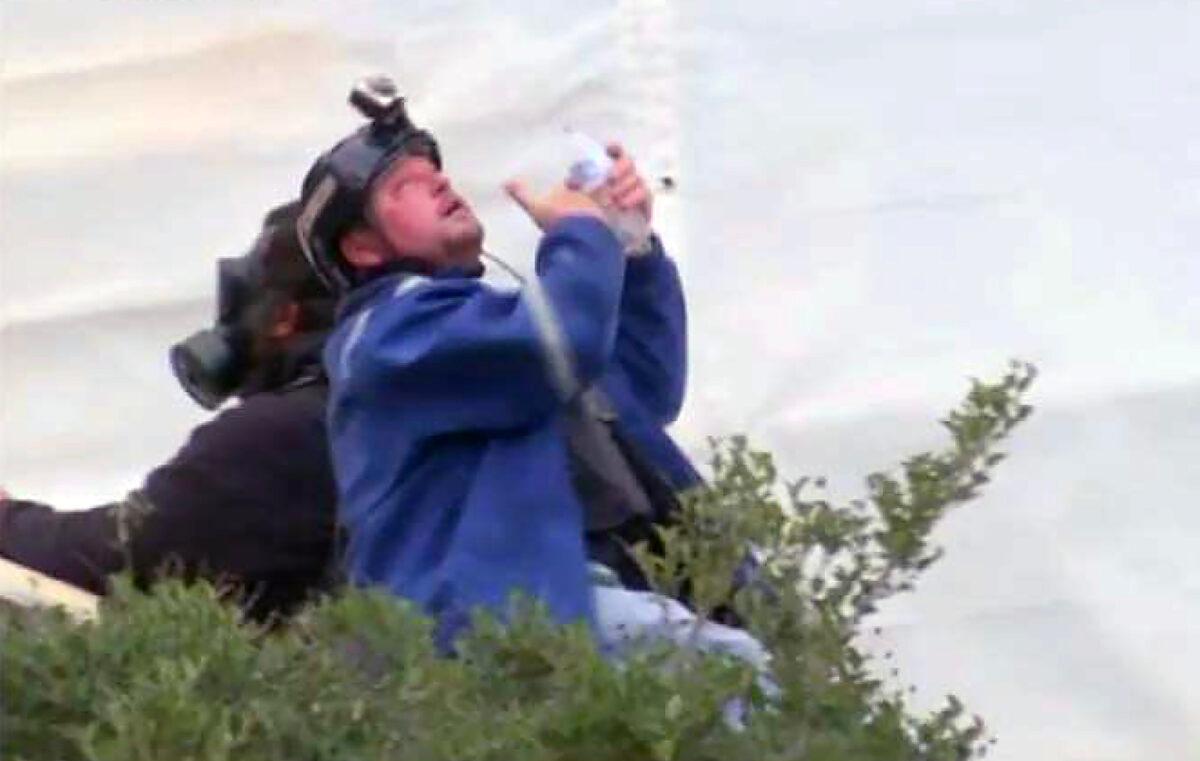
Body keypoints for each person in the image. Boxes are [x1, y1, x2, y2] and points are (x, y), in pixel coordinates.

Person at [296, 78, 701, 646]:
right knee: (740, 678)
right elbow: (567, 343)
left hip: (578, 606)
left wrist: (629, 247)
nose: (438, 180)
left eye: (433, 169)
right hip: (500, 631)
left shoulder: (489, 333)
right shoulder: (386, 337)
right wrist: (582, 230)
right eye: (404, 186)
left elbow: (646, 390)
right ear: (362, 248)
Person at [0, 202, 340, 620]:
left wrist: (7, 524)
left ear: (286, 317)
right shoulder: (399, 404)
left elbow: (134, 552)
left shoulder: (289, 431)